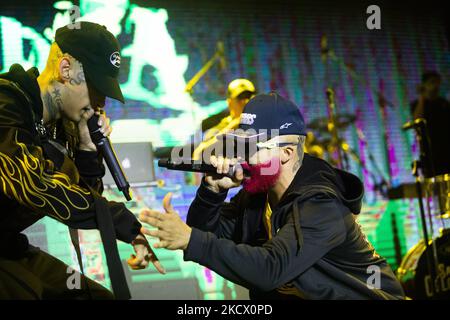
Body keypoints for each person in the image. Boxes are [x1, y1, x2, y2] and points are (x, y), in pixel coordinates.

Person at [140, 93, 406, 300]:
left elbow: (270, 269)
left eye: (253, 147)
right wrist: (212, 192)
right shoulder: (256, 197)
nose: (243, 156)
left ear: (287, 153)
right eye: (241, 145)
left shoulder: (321, 204)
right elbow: (207, 234)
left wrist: (189, 239)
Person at [0, 22, 164, 300]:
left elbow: (83, 198)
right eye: (97, 88)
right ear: (66, 70)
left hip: (8, 246)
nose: (101, 103)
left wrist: (88, 149)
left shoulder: (61, 127)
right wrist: (119, 219)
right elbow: (35, 186)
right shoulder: (7, 103)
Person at [192, 78, 256, 160]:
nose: (246, 102)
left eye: (249, 97)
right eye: (240, 98)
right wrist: (232, 128)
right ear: (230, 102)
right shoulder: (219, 127)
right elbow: (199, 153)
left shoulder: (262, 124)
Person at [410, 71, 450, 176]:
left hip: (446, 151)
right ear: (424, 85)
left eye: (437, 82)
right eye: (432, 82)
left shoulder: (444, 104)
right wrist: (422, 96)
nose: (435, 86)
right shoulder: (418, 104)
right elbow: (416, 120)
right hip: (429, 153)